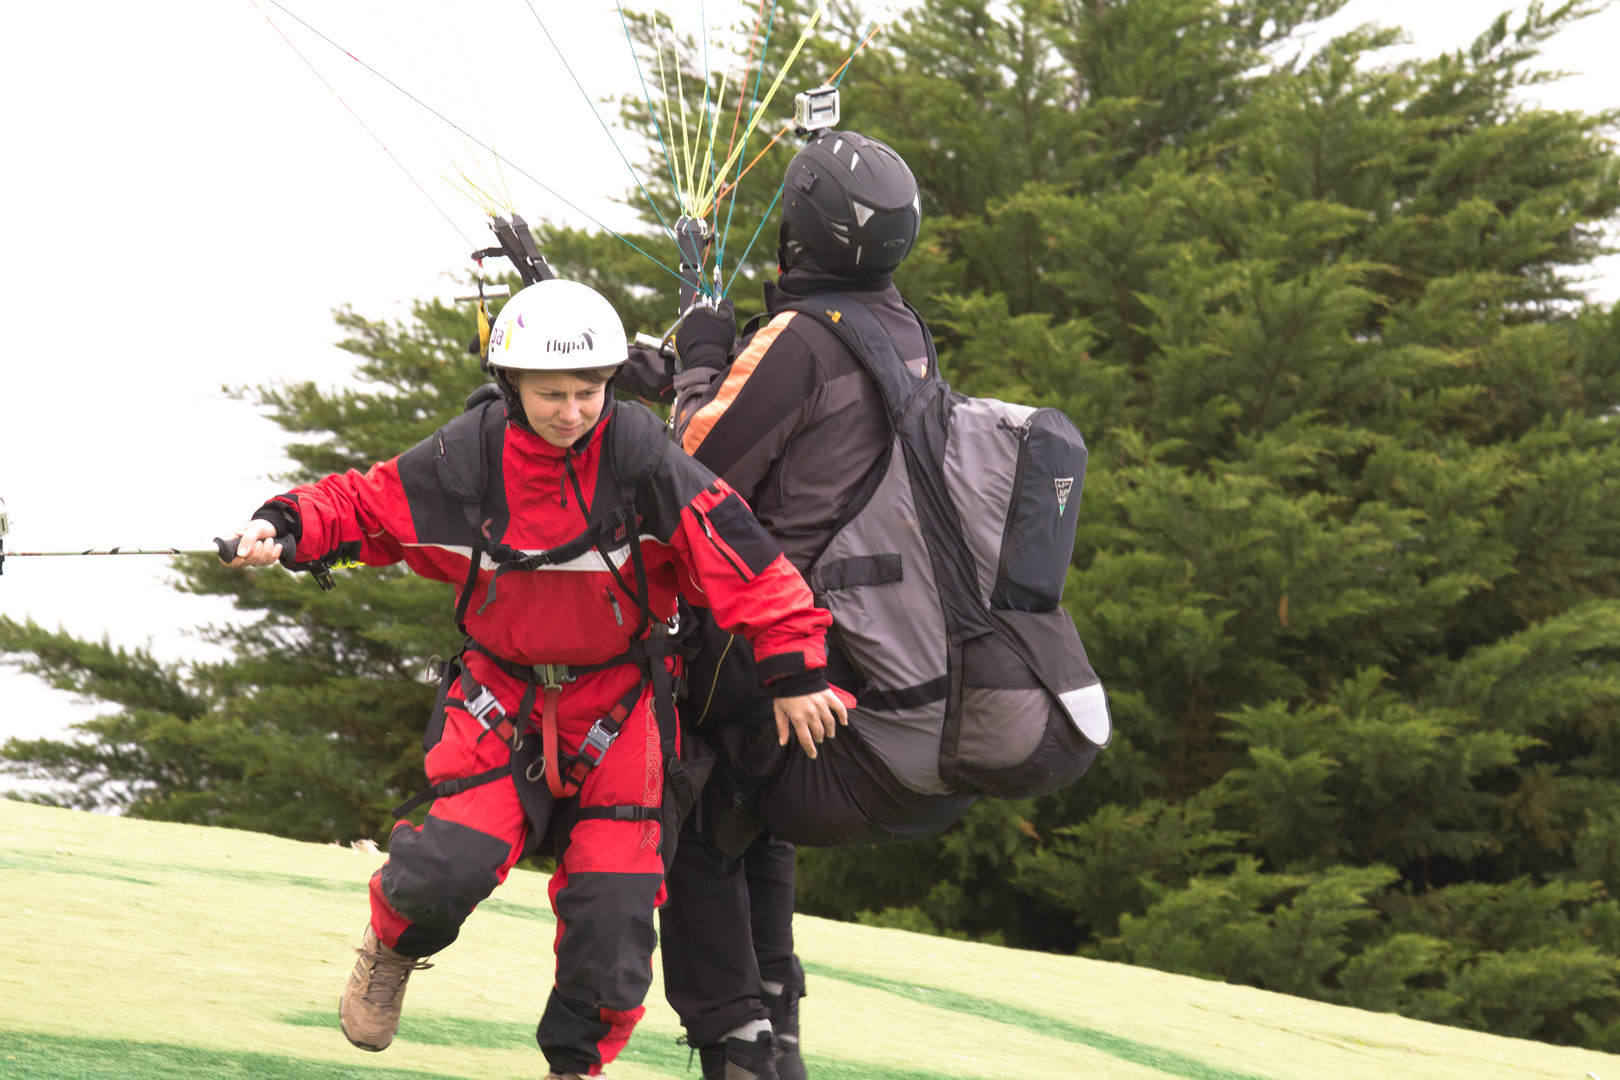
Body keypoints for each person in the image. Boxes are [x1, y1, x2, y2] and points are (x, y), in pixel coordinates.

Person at [222, 277, 848, 1080]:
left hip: (622, 706)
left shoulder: (643, 460)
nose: (572, 411)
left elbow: (743, 555)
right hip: (500, 696)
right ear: (510, 386)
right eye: (551, 393)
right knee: (447, 865)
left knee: (616, 912)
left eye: (589, 392)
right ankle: (391, 945)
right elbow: (361, 507)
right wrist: (281, 525)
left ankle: (575, 1067)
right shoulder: (465, 459)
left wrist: (796, 668)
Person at [630, 129, 977, 1080]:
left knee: (698, 818)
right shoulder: (901, 329)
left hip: (756, 623)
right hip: (847, 629)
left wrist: (704, 355)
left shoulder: (798, 340)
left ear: (800, 229)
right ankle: (776, 1037)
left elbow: (694, 468)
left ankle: (736, 1042)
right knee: (758, 813)